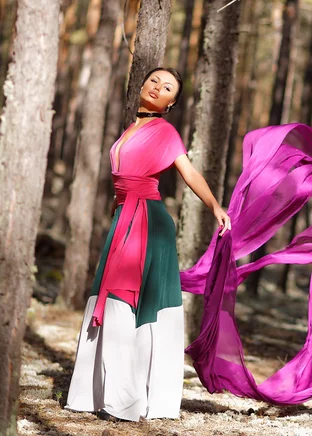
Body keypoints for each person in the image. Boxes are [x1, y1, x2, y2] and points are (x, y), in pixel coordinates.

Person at [65, 67, 231, 422]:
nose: (158, 87)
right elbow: (124, 178)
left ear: (171, 103)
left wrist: (215, 205)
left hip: (148, 222)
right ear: (141, 85)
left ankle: (129, 400)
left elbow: (189, 173)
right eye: (154, 80)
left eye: (167, 87)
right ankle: (98, 393)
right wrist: (115, 207)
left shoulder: (165, 131)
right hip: (124, 217)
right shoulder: (132, 128)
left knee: (129, 301)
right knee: (112, 298)